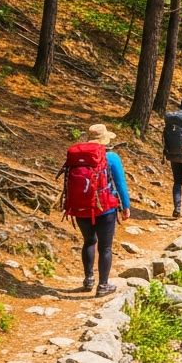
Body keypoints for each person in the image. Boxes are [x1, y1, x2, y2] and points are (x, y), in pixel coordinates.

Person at [61, 124, 130, 297]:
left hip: (80, 207)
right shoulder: (111, 157)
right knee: (105, 247)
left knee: (89, 241)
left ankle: (88, 279)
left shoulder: (76, 158)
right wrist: (126, 206)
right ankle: (103, 286)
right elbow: (121, 184)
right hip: (105, 208)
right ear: (104, 140)